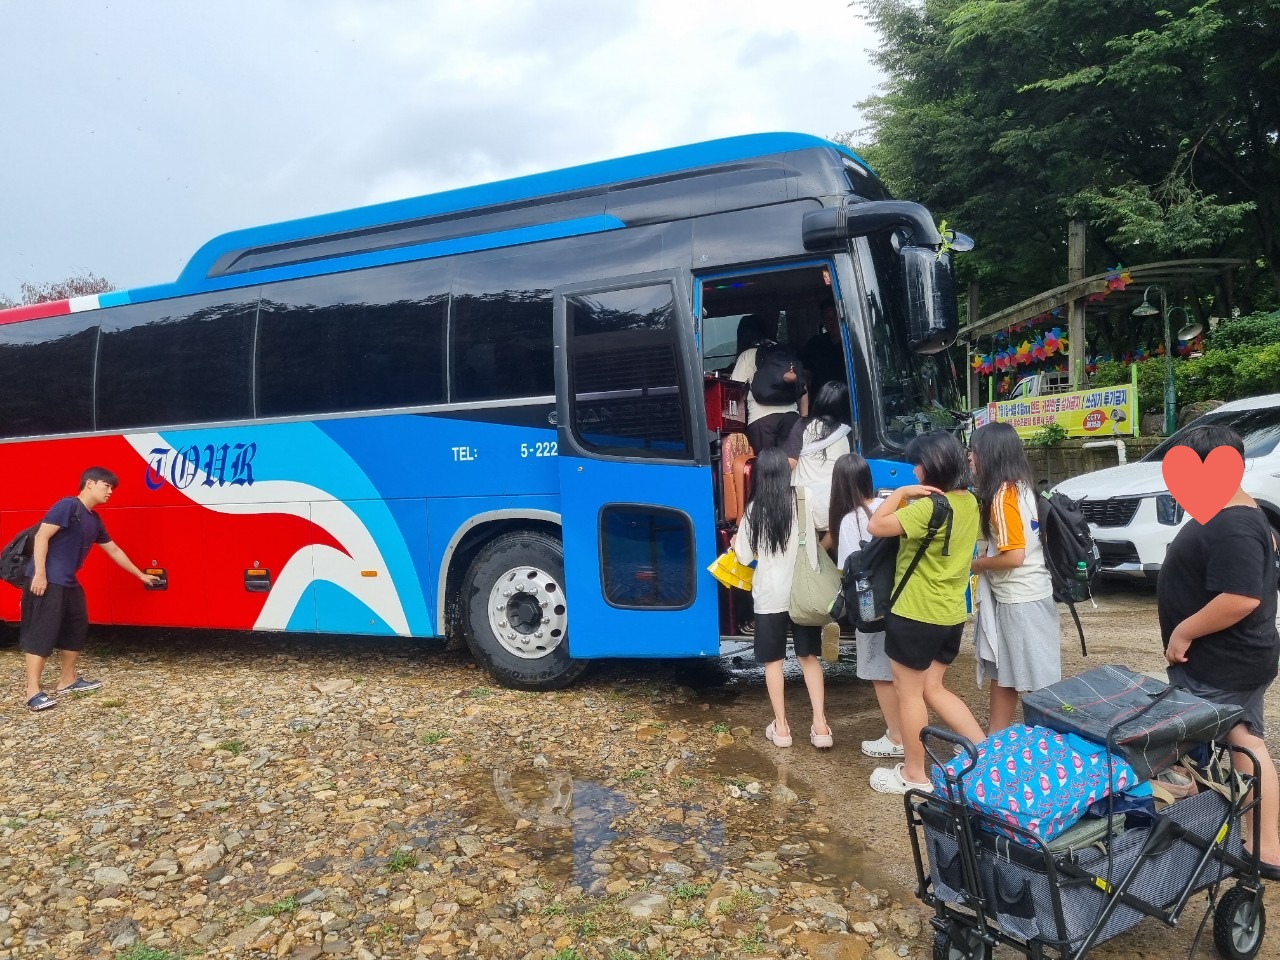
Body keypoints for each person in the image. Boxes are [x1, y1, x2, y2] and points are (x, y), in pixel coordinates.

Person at [1157, 423, 1280, 877]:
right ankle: (1253, 840)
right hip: (1234, 657)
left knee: (1240, 743)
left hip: (1223, 661)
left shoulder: (1234, 525)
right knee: (1238, 740)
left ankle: (1264, 847)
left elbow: (1241, 598)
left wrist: (1184, 630)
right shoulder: (1238, 513)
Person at [865, 432, 984, 794]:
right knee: (933, 688)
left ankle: (914, 776)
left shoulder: (929, 507)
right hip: (951, 614)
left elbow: (876, 525)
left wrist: (900, 493)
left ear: (931, 465)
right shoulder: (970, 502)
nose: (913, 471)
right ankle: (986, 755)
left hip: (915, 613)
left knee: (910, 694)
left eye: (915, 464)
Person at [21, 467, 160, 712]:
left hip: (68, 582)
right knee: (42, 633)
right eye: (106, 486)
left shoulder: (94, 519)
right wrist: (40, 574)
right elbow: (41, 537)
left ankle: (67, 680)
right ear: (89, 484)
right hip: (48, 580)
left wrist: (140, 575)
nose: (110, 492)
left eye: (112, 488)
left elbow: (113, 549)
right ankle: (32, 692)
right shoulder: (67, 506)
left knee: (76, 628)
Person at [733, 448, 834, 749]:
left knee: (773, 662)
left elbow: (743, 556)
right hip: (804, 592)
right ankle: (821, 727)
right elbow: (826, 523)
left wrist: (742, 543)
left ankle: (782, 728)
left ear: (760, 475)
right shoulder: (804, 497)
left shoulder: (754, 509)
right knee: (808, 657)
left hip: (770, 595)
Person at [968, 422, 1061, 733]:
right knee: (1005, 674)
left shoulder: (1002, 497)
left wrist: (977, 564)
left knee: (1041, 684)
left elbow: (1014, 557)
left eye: (974, 451)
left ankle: (1055, 744)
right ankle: (995, 739)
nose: (970, 458)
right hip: (1028, 595)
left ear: (990, 454)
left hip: (1021, 599)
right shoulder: (1023, 488)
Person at [830, 453, 905, 760]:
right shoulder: (889, 508)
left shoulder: (850, 520)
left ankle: (896, 737)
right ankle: (911, 732)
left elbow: (849, 565)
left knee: (879, 671)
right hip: (901, 598)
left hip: (871, 603)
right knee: (903, 672)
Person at [730, 315, 808, 453]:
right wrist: (803, 420)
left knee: (766, 464)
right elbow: (803, 387)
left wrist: (734, 427)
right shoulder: (785, 353)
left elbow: (734, 392)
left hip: (762, 420)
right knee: (791, 463)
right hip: (791, 417)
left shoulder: (747, 355)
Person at [784, 380, 853, 535]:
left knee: (802, 539)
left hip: (803, 507)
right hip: (834, 507)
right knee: (836, 528)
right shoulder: (847, 433)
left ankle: (811, 549)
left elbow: (790, 463)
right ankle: (822, 548)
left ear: (820, 400)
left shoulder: (803, 425)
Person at [800, 302, 846, 398]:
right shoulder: (814, 344)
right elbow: (805, 378)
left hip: (847, 400)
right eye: (827, 318)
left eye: (835, 316)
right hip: (820, 401)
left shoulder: (851, 344)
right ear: (823, 321)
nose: (832, 321)